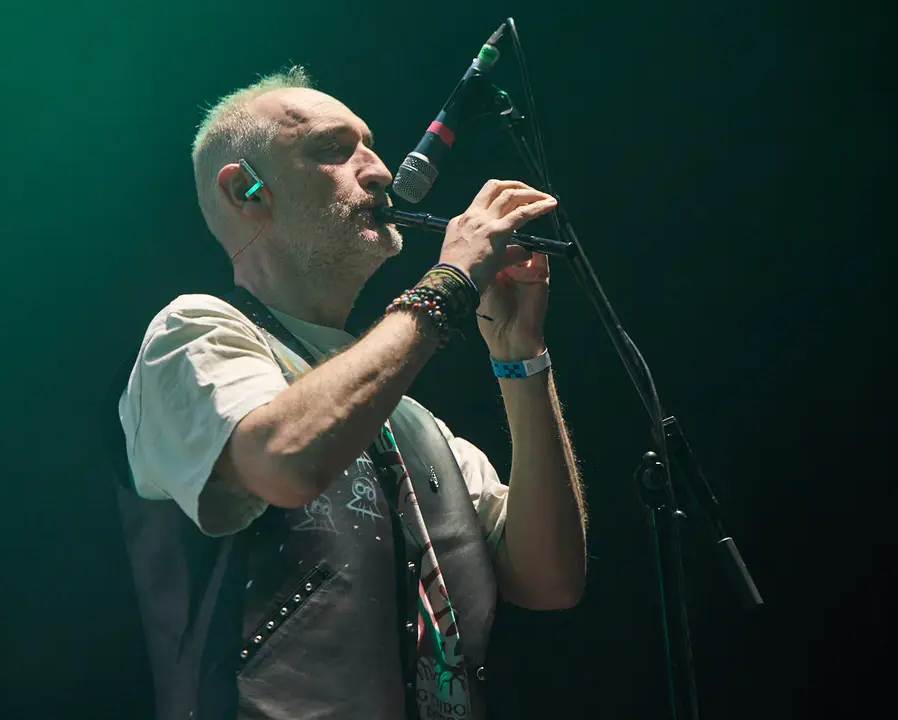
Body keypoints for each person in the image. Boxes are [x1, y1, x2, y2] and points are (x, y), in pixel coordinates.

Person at [114, 66, 587, 720]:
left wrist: (519, 356)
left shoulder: (415, 423)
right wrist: (449, 282)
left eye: (370, 146)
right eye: (334, 150)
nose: (381, 171)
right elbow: (283, 461)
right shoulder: (193, 333)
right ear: (246, 191)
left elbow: (550, 577)